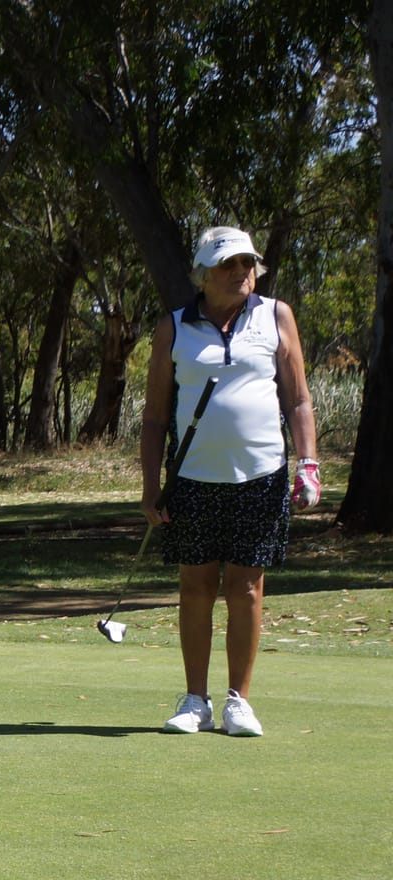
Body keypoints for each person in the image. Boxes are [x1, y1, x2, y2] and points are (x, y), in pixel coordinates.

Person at [138, 226, 320, 738]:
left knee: (246, 588)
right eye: (230, 264)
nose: (243, 272)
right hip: (193, 478)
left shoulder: (275, 315)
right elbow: (154, 417)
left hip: (261, 476)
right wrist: (151, 487)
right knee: (195, 586)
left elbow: (298, 399)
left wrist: (308, 464)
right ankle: (196, 700)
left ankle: (240, 701)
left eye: (248, 263)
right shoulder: (173, 327)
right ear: (204, 274)